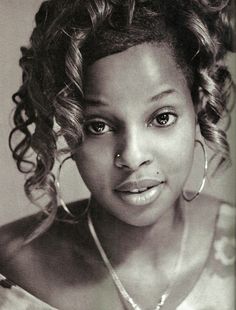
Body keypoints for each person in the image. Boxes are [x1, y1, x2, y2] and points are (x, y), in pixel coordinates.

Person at [0, 0, 235, 309]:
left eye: (162, 118)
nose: (133, 157)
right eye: (98, 125)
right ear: (67, 126)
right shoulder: (10, 266)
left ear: (198, 108)